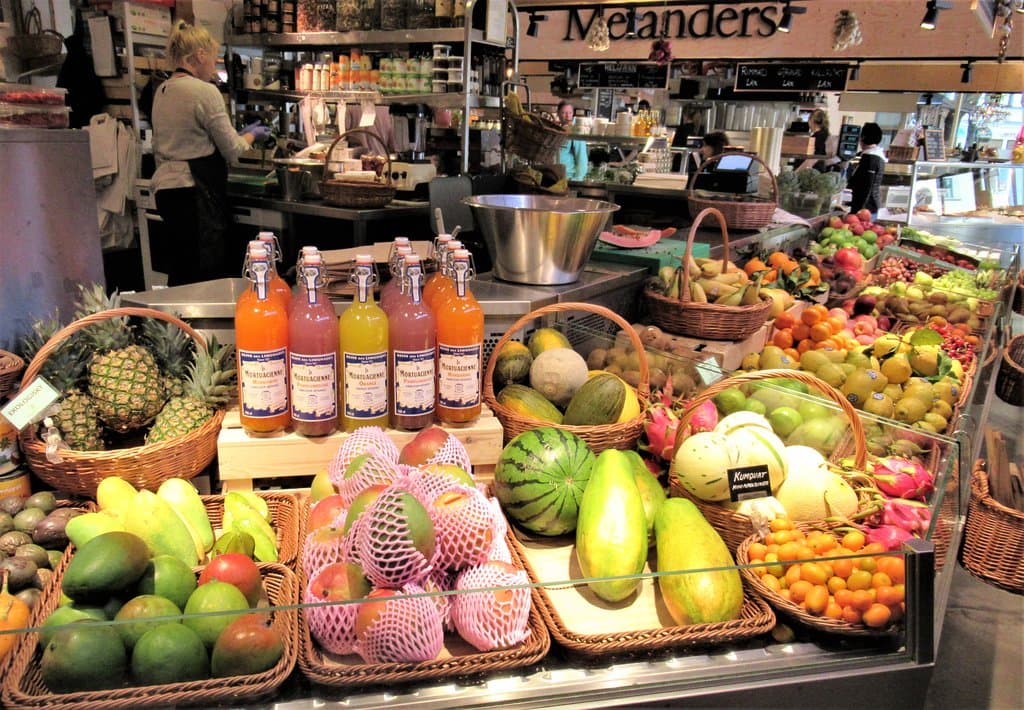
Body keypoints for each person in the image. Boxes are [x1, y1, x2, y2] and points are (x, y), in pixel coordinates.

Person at [151, 20, 272, 286]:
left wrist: (240, 134)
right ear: (199, 55)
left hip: (166, 192)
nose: (215, 66)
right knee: (204, 273)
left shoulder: (162, 90)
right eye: (214, 59)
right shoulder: (205, 91)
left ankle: (177, 313)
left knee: (181, 270)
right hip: (195, 194)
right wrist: (253, 134)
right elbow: (232, 149)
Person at [847, 122, 887, 220]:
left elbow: (866, 186)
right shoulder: (873, 155)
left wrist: (859, 210)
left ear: (863, 137)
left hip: (865, 209)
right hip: (870, 207)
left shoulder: (870, 158)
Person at [556, 100, 589, 182]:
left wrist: (577, 179)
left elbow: (582, 158)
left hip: (568, 177)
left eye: (570, 113)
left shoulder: (576, 132)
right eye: (564, 113)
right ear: (558, 113)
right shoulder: (557, 129)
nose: (567, 116)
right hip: (554, 175)